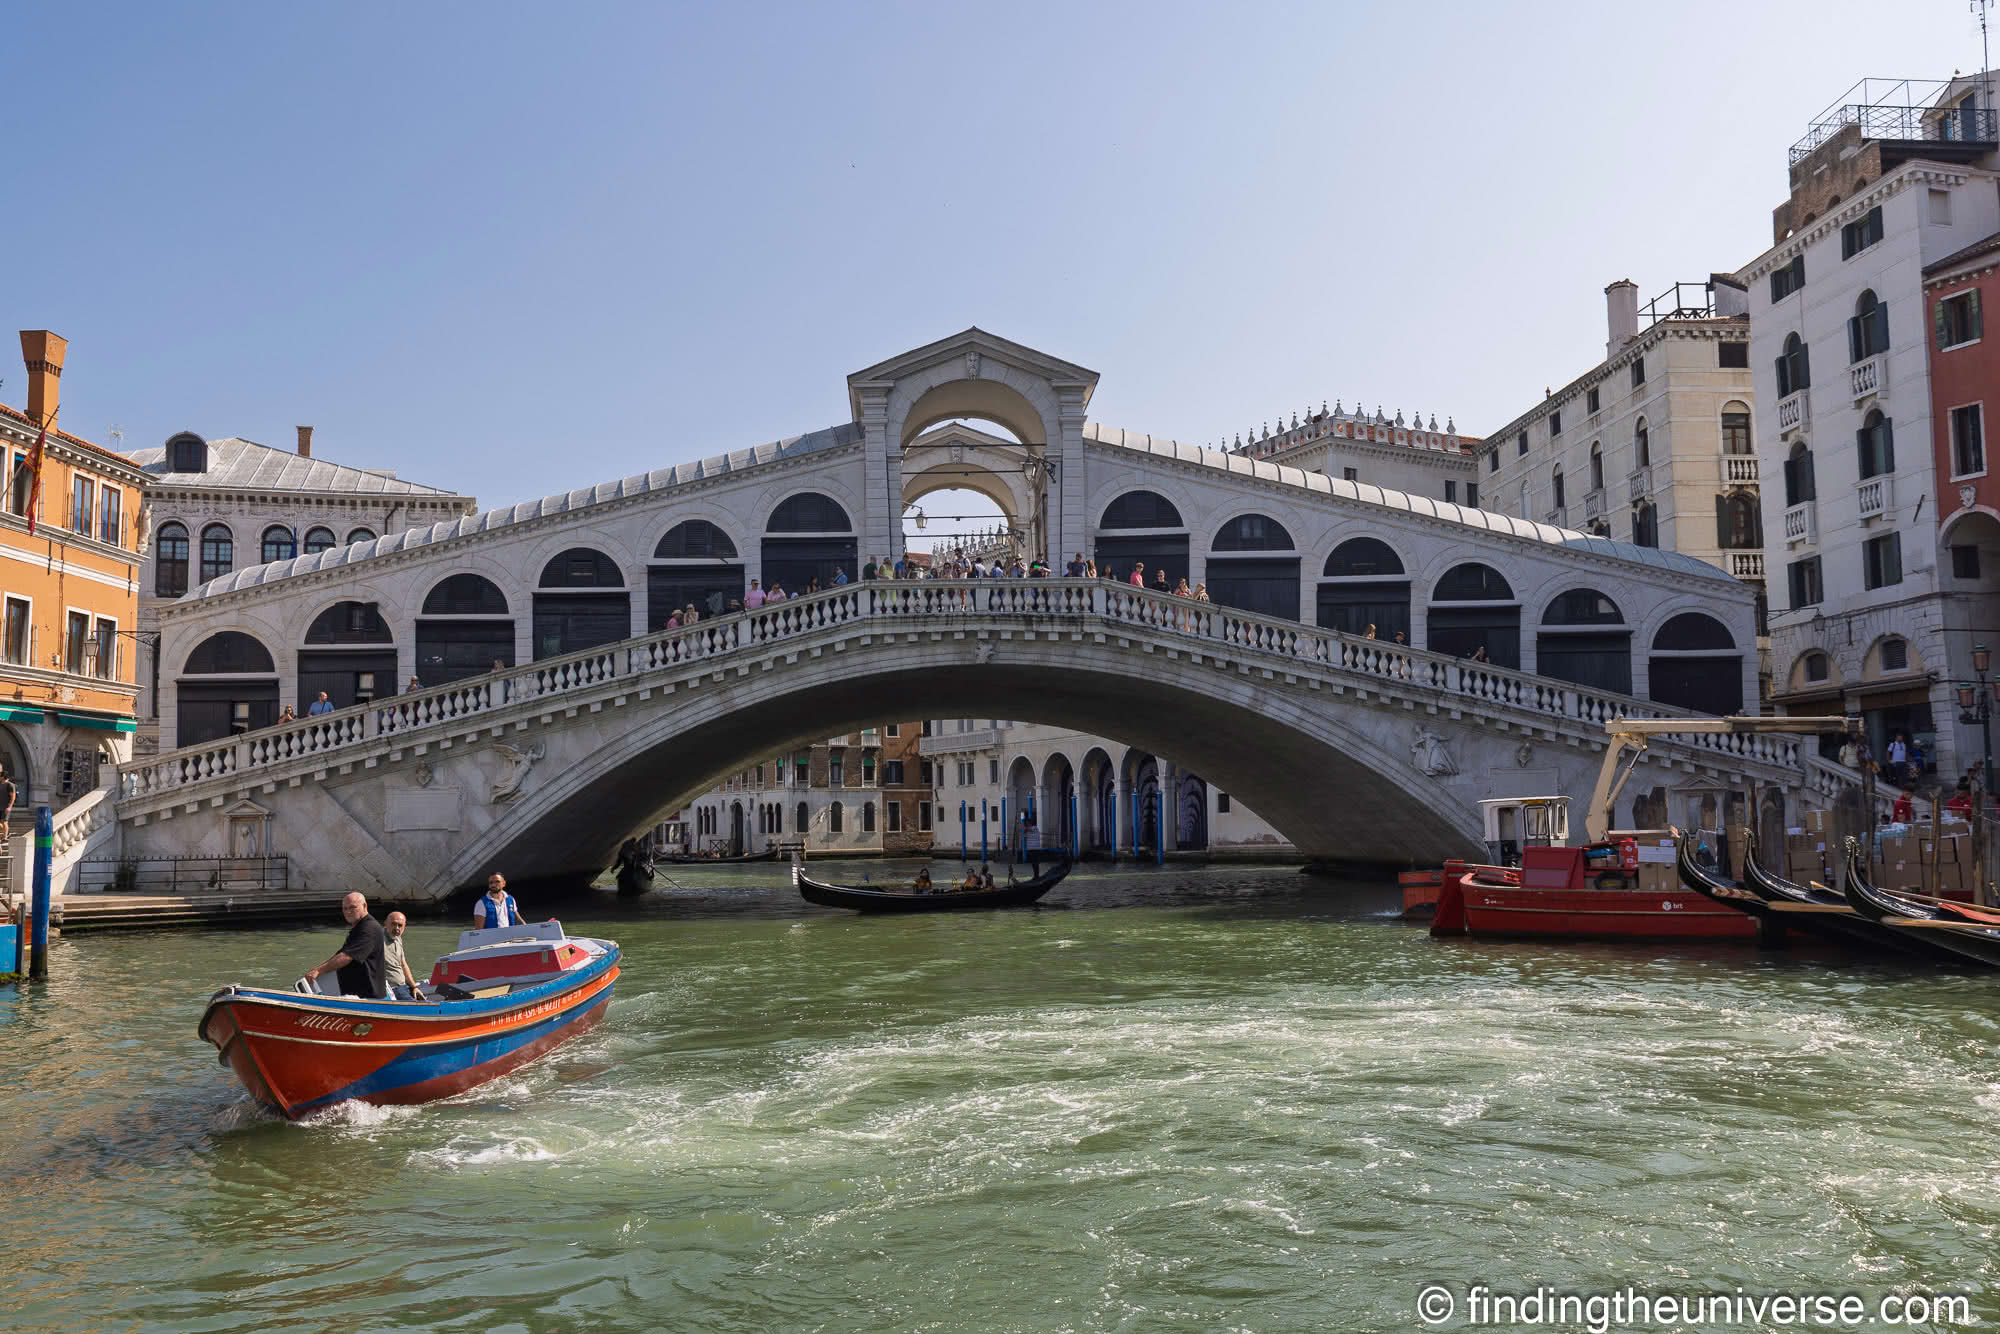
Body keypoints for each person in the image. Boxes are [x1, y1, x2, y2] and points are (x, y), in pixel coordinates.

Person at [304, 892, 387, 998]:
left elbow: (346, 957)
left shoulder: (369, 928)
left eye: (352, 907)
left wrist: (318, 971)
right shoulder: (359, 927)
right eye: (345, 908)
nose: (348, 912)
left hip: (367, 997)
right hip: (357, 995)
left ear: (365, 906)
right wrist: (316, 969)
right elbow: (340, 954)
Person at [382, 911, 423, 1000]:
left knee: (425, 1000)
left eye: (400, 925)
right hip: (392, 989)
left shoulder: (398, 938)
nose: (397, 928)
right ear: (385, 923)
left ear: (404, 927)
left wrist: (414, 987)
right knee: (418, 1008)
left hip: (404, 986)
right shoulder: (377, 938)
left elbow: (403, 965)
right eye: (393, 924)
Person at [0, 765, 14, 845]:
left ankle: (5, 837)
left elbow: (13, 796)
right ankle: (5, 833)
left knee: (4, 822)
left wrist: (9, 807)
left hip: (6, 807)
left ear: (3, 777)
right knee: (1, 823)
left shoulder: (9, 785)